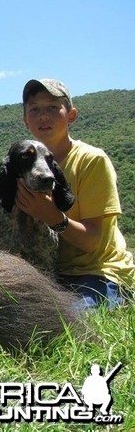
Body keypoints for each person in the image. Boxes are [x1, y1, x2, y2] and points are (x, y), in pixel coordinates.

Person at [19, 78, 134, 307]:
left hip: (98, 272)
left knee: (67, 325)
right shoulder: (23, 163)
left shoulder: (92, 160)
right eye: (35, 109)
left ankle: (121, 296)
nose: (43, 115)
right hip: (49, 273)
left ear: (71, 115)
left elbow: (93, 241)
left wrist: (51, 216)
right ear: (25, 120)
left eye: (53, 107)